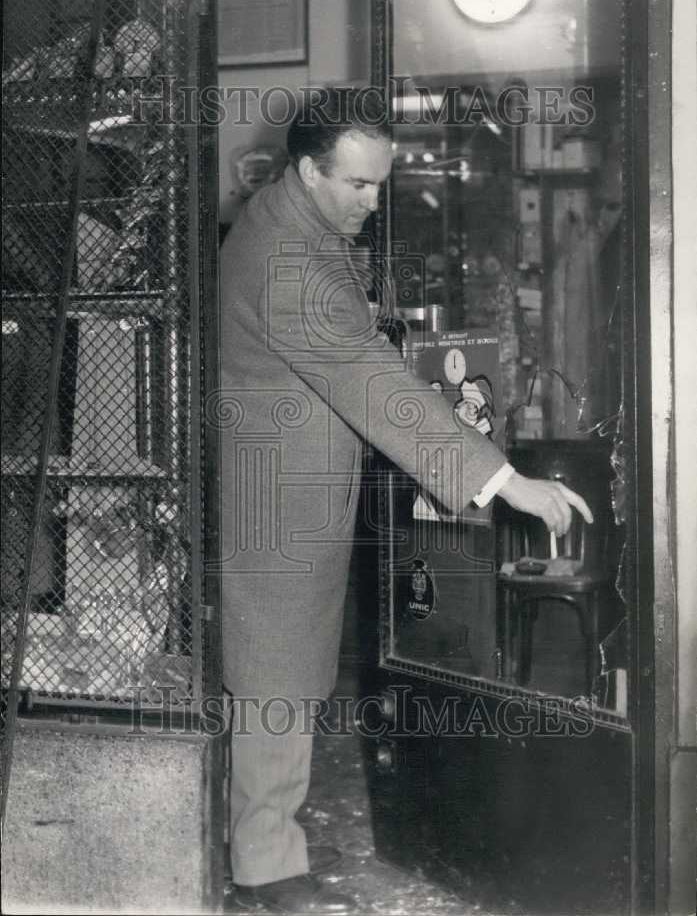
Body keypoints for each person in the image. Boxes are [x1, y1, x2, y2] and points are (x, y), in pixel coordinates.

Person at [217, 88, 593, 914]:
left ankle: (271, 832)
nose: (372, 201)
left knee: (293, 665)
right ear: (308, 170)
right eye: (356, 185)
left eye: (380, 183)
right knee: (275, 668)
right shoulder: (288, 255)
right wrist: (506, 481)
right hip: (277, 496)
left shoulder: (294, 220)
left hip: (292, 478)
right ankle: (264, 870)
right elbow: (364, 378)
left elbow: (338, 341)